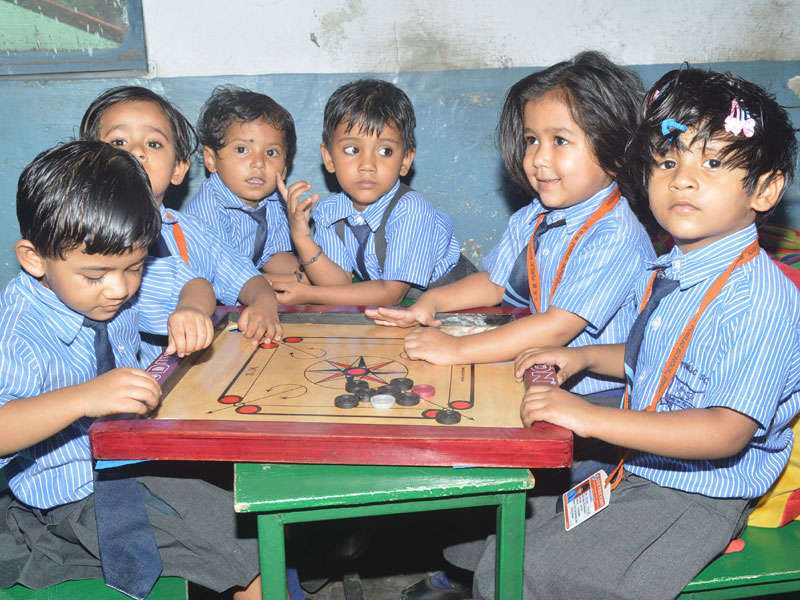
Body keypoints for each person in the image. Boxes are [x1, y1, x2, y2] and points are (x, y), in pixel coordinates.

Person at [410, 67, 800, 600]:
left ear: (766, 189)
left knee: (521, 570)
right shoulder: (679, 268)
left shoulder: (759, 300)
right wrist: (588, 357)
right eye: (668, 161)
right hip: (639, 462)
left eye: (712, 162)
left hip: (692, 495)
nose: (682, 179)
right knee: (491, 524)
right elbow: (661, 359)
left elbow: (725, 431)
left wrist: (589, 415)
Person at [0, 141, 264, 599]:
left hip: (143, 457)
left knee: (256, 505)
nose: (119, 289)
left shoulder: (114, 277)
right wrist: (84, 397)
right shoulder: (17, 330)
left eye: (135, 267)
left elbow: (197, 284)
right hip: (77, 497)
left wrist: (191, 309)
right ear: (34, 258)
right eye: (94, 275)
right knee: (246, 549)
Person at [367, 52, 654, 401]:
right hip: (541, 370)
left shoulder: (615, 236)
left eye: (560, 141)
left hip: (601, 397)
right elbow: (495, 282)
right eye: (532, 140)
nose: (538, 158)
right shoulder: (535, 215)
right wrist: (432, 300)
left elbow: (556, 328)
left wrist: (457, 349)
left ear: (615, 151)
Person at [79, 86, 282, 367]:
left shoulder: (195, 232)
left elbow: (245, 277)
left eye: (153, 143)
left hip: (184, 377)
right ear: (86, 162)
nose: (136, 152)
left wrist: (264, 304)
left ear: (178, 169)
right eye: (119, 142)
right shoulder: (75, 237)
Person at [272, 78, 476, 306]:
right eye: (352, 149)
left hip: (463, 305)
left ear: (405, 160)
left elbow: (391, 294)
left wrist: (310, 295)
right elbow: (338, 285)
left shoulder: (411, 210)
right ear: (329, 158)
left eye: (385, 151)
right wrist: (302, 238)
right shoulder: (329, 213)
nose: (367, 165)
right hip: (409, 308)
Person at [185, 85, 299, 275]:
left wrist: (308, 272)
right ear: (211, 160)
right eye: (241, 149)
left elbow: (272, 257)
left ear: (284, 169)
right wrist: (284, 283)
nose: (259, 163)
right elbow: (226, 279)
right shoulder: (206, 213)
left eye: (271, 152)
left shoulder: (274, 202)